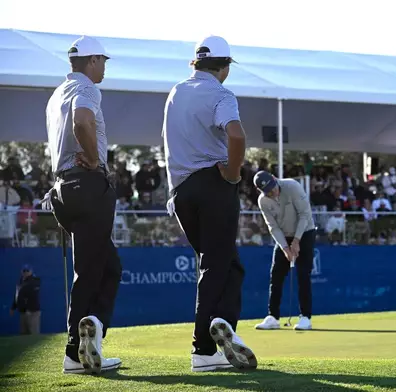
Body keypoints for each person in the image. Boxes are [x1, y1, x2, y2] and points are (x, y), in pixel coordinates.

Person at [162, 35, 256, 372]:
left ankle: (222, 326)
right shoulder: (221, 93)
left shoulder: (176, 92)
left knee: (225, 264)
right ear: (225, 66)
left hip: (182, 191)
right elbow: (237, 135)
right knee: (218, 266)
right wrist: (232, 174)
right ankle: (203, 348)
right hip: (213, 184)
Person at [43, 35, 122, 375]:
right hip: (86, 183)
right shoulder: (87, 88)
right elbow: (82, 121)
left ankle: (91, 335)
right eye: (102, 60)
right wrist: (95, 160)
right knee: (90, 271)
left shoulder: (55, 94)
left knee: (107, 266)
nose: (104, 66)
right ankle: (75, 352)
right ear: (91, 61)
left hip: (62, 189)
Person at [253, 171, 317, 331]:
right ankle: (272, 317)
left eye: (272, 188)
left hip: (305, 232)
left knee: (303, 275)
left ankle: (305, 317)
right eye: (267, 191)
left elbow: (304, 215)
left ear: (274, 179)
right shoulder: (263, 201)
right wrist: (285, 247)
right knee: (276, 275)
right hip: (284, 236)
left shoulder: (292, 187)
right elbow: (272, 227)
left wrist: (296, 241)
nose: (272, 192)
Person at [10, 265, 41, 335]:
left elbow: (32, 296)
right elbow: (17, 296)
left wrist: (29, 309)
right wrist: (13, 307)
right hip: (23, 311)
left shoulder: (35, 280)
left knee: (33, 332)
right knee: (24, 333)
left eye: (27, 271)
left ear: (31, 271)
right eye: (24, 271)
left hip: (33, 311)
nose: (25, 273)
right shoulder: (21, 282)